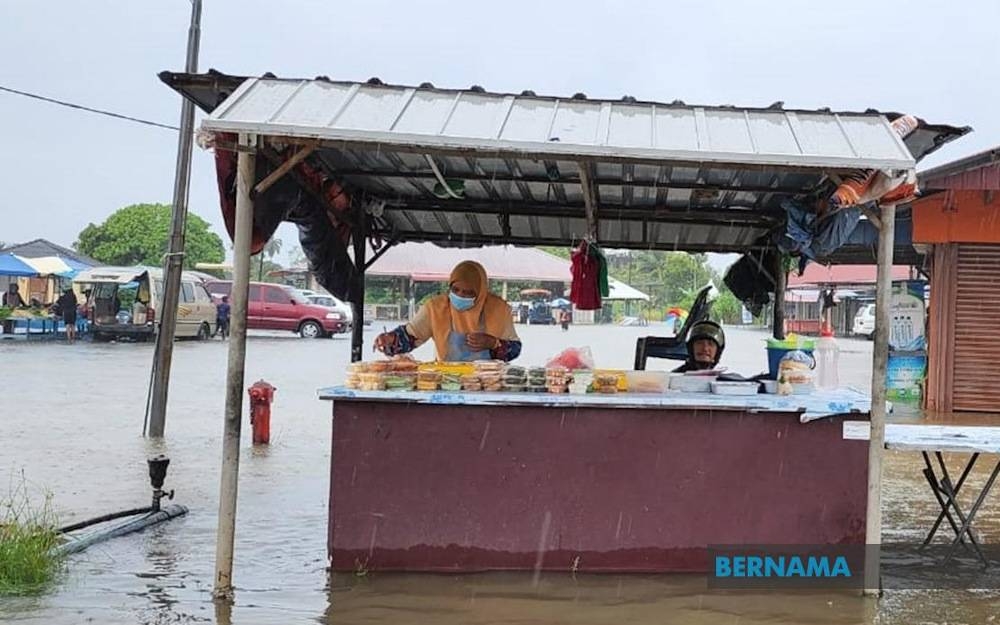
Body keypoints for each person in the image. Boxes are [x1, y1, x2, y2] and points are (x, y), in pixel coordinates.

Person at [374, 260, 521, 362]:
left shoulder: (499, 309)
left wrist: (494, 343)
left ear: (480, 292)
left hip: (488, 384)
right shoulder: (435, 308)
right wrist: (390, 340)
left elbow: (514, 349)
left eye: (468, 292)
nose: (460, 296)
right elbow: (409, 336)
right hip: (447, 382)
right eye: (455, 290)